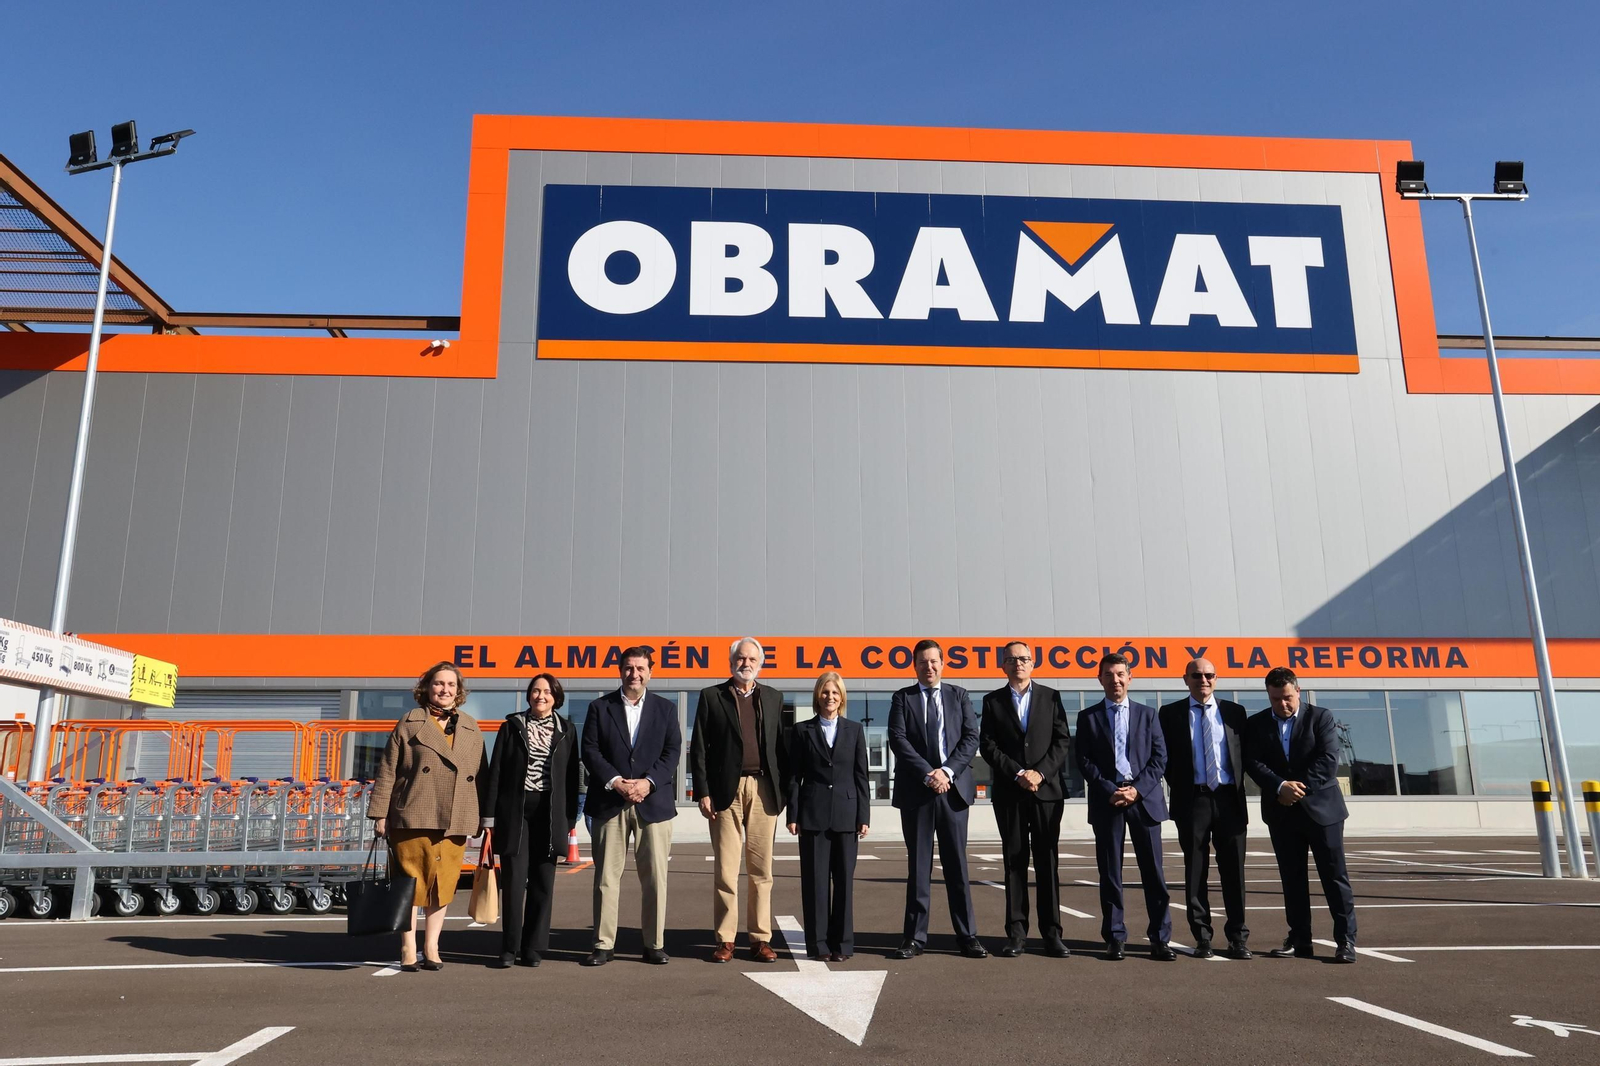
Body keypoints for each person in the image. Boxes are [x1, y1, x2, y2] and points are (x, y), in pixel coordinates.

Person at [369, 661, 488, 972]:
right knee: (409, 885)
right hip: (413, 815)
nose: (444, 690)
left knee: (443, 885)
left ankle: (432, 946)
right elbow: (387, 771)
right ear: (426, 688)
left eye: (451, 685)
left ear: (459, 691)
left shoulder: (471, 727)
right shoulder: (409, 723)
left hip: (455, 818)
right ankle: (408, 946)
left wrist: (483, 818)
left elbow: (481, 775)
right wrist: (380, 813)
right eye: (438, 684)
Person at [1244, 666, 1357, 964]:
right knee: (1292, 880)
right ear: (1268, 696)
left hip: (1323, 812)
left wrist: (1297, 789)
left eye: (1288, 697)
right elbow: (1253, 762)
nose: (1283, 703)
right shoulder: (1256, 724)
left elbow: (1328, 760)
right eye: (1276, 698)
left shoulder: (1321, 717)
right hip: (1281, 813)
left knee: (1334, 877)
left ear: (1298, 691)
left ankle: (1345, 941)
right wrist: (1279, 786)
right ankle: (1300, 939)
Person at [690, 637, 791, 964]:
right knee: (726, 870)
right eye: (740, 658)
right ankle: (726, 940)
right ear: (731, 661)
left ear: (760, 663)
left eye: (751, 659)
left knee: (762, 871)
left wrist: (784, 791)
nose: (745, 663)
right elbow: (700, 749)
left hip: (764, 790)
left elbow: (781, 749)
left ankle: (760, 939)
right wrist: (702, 791)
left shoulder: (774, 697)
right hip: (724, 793)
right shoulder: (711, 697)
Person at [580, 646, 681, 966]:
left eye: (640, 668)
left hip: (654, 804)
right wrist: (616, 781)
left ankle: (654, 943)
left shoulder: (666, 709)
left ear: (650, 672)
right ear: (620, 671)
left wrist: (647, 782)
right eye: (628, 668)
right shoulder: (600, 707)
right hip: (610, 801)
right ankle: (603, 944)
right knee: (606, 878)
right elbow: (590, 751)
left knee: (655, 878)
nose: (634, 674)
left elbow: (673, 752)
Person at [887, 639, 987, 959]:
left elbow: (971, 738)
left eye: (933, 661)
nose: (928, 667)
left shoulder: (959, 696)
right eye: (922, 662)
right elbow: (898, 740)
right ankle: (915, 937)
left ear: (943, 664)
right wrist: (928, 774)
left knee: (957, 866)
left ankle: (967, 935)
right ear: (913, 666)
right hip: (918, 792)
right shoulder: (903, 698)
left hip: (953, 792)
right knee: (918, 868)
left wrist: (946, 772)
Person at [1076, 651, 1173, 961]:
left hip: (1143, 801)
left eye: (1120, 674)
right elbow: (1084, 760)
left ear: (1130, 678)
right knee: (1110, 873)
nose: (1115, 680)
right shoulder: (1087, 717)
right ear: (1100, 678)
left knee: (1154, 874)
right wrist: (1108, 789)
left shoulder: (1148, 714)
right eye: (1109, 674)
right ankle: (1115, 937)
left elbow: (1160, 758)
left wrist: (1137, 790)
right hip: (1108, 801)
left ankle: (1160, 938)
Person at [978, 640, 1072, 958]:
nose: (1018, 663)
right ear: (1002, 665)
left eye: (1024, 658)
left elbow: (1062, 740)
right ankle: (1016, 933)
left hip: (1046, 793)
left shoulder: (1050, 697)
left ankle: (1052, 934)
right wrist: (1018, 773)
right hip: (1010, 792)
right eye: (1012, 659)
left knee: (1047, 862)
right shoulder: (992, 701)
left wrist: (1039, 773)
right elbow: (988, 746)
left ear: (1033, 663)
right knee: (1015, 862)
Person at [481, 672, 581, 968]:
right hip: (515, 813)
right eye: (535, 691)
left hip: (550, 815)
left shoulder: (567, 730)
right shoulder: (512, 726)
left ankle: (533, 947)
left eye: (547, 691)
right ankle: (509, 948)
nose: (541, 696)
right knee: (513, 881)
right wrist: (489, 817)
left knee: (543, 882)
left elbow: (573, 776)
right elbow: (496, 770)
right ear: (529, 696)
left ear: (556, 696)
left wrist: (570, 817)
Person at [1159, 658, 1252, 960]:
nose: (1203, 680)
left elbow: (1244, 756)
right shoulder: (1170, 714)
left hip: (1229, 800)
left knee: (1233, 871)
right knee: (1195, 870)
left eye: (1209, 675)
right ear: (1185, 679)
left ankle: (1238, 937)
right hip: (1193, 800)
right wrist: (1182, 785)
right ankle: (1202, 937)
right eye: (1196, 675)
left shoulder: (1235, 713)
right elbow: (1165, 759)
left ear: (1216, 678)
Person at [785, 672, 869, 961]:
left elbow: (861, 776)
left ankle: (843, 945)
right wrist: (792, 814)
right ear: (817, 697)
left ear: (842, 697)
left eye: (835, 693)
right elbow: (794, 776)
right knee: (815, 883)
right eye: (825, 692)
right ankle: (818, 945)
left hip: (847, 815)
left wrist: (864, 815)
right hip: (812, 815)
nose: (830, 697)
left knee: (844, 883)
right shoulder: (801, 731)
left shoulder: (855, 730)